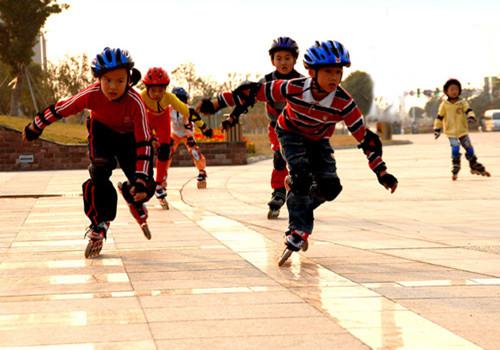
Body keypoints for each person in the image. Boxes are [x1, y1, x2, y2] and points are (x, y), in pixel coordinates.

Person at [198, 40, 398, 263]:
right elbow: (252, 92)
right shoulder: (294, 87)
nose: (334, 78)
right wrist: (215, 104)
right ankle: (298, 230)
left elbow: (366, 139)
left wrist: (382, 172)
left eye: (338, 72)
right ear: (312, 71)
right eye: (328, 72)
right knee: (301, 176)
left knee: (331, 188)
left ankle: (297, 199)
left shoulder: (344, 103)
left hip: (318, 140)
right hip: (290, 133)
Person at [22, 47, 155, 258]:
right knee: (99, 172)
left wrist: (140, 179)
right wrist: (36, 126)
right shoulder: (91, 95)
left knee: (145, 187)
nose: (113, 87)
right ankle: (100, 223)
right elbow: (62, 108)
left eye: (120, 81)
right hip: (101, 133)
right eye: (107, 80)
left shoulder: (135, 102)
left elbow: (145, 142)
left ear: (129, 79)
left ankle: (133, 196)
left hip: (130, 140)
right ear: (99, 79)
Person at [261, 37, 303, 219]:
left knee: (300, 162)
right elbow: (248, 97)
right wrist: (234, 114)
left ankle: (302, 192)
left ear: (294, 60)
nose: (283, 62)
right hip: (276, 127)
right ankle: (278, 192)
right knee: (279, 158)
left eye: (287, 58)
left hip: (298, 128)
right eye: (279, 58)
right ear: (272, 61)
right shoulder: (267, 80)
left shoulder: (302, 81)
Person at [140, 67, 191, 209]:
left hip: (162, 122)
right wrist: (151, 137)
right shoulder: (141, 98)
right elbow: (140, 121)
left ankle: (159, 184)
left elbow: (185, 110)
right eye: (153, 90)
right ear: (147, 88)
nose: (157, 94)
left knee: (164, 151)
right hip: (147, 121)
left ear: (165, 89)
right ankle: (142, 182)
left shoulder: (169, 97)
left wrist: (201, 125)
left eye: (160, 90)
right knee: (145, 152)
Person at [433, 78, 490, 180]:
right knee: (455, 147)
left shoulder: (462, 102)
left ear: (459, 90)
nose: (454, 91)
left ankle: (473, 163)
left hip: (462, 130)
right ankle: (455, 163)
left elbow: (468, 110)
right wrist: (437, 129)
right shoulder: (444, 104)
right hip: (451, 132)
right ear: (446, 91)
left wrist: (471, 116)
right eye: (452, 89)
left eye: (456, 89)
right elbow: (439, 117)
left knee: (469, 147)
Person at [165, 87, 213, 189]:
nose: (180, 102)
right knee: (166, 153)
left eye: (182, 99)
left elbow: (193, 121)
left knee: (195, 152)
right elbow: (163, 121)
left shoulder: (188, 109)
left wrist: (201, 131)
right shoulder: (168, 109)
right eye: (177, 99)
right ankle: (162, 175)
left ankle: (202, 171)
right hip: (175, 133)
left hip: (187, 133)